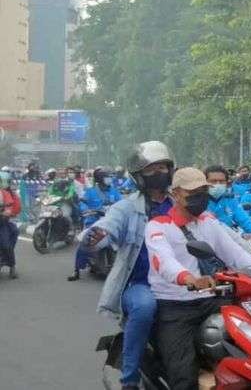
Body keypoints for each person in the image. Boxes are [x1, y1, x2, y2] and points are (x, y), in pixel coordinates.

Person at [145, 167, 251, 390]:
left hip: (214, 299)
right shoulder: (158, 225)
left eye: (203, 190)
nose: (201, 196)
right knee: (184, 379)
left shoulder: (208, 221)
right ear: (176, 194)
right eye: (194, 192)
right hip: (176, 307)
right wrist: (188, 278)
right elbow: (163, 261)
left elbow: (234, 253)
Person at [79, 141, 175, 389]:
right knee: (144, 307)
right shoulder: (126, 207)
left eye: (163, 167)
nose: (159, 173)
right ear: (139, 176)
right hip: (140, 283)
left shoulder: (180, 205)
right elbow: (106, 227)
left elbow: (215, 230)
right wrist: (95, 235)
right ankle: (129, 380)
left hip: (180, 281)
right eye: (152, 169)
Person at [68, 167, 122, 281]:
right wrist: (86, 210)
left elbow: (121, 202)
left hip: (111, 222)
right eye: (107, 177)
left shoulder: (114, 191)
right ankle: (76, 270)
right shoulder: (91, 191)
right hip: (94, 221)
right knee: (84, 242)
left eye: (110, 177)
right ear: (100, 179)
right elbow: (83, 203)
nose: (109, 179)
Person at [205, 165, 251, 242]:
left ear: (226, 182)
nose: (218, 184)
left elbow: (245, 221)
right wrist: (239, 235)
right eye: (213, 181)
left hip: (229, 242)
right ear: (205, 182)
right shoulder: (199, 202)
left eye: (221, 181)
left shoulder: (230, 199)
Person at [0, 170, 21, 278]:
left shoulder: (5, 193)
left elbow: (10, 207)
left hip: (2, 222)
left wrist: (6, 212)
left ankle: (12, 267)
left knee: (5, 245)